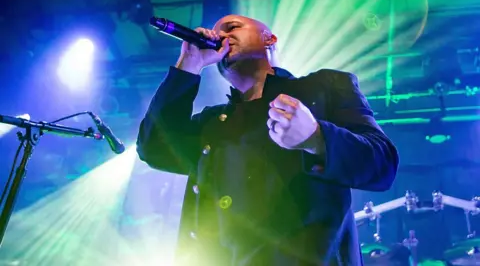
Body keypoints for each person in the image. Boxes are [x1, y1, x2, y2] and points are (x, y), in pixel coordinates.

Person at [136, 14, 399, 265]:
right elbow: (154, 147)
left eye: (232, 27)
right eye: (218, 32)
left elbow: (383, 164)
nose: (221, 35)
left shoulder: (325, 87)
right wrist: (189, 65)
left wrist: (316, 138)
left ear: (269, 39)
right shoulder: (212, 123)